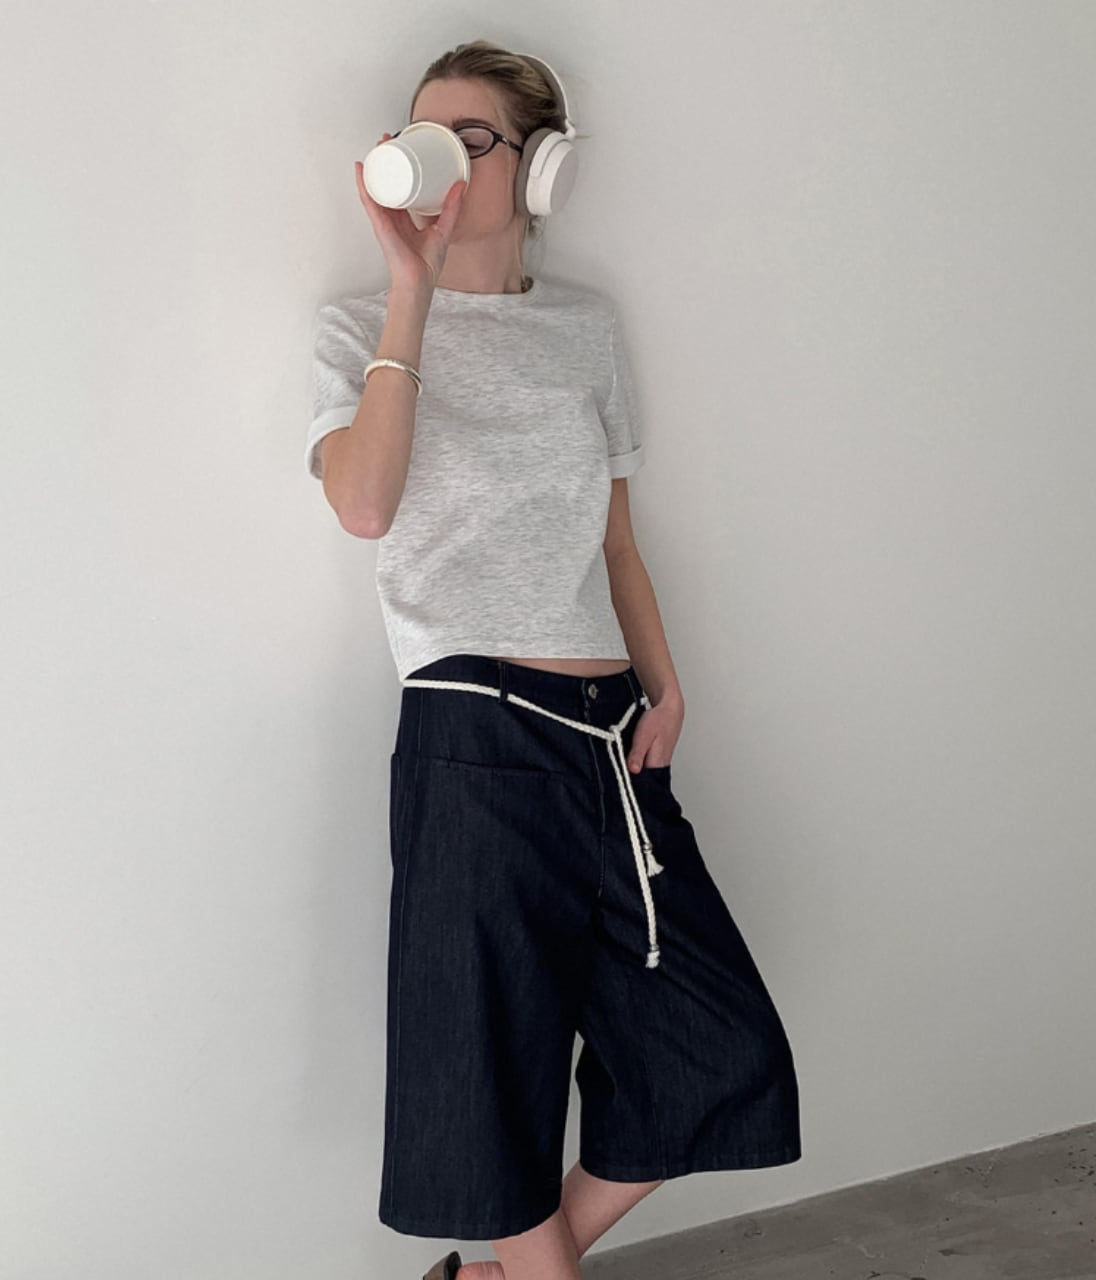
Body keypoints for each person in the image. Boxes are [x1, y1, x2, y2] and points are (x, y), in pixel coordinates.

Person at [305, 40, 801, 1280]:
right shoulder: (354, 326)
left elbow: (614, 539)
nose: (438, 161)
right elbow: (363, 506)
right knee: (488, 1071)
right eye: (420, 136)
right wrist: (410, 286)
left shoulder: (586, 327)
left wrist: (666, 683)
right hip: (472, 735)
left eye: (470, 138)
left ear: (540, 168)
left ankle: (491, 1276)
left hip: (610, 737)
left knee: (717, 1045)